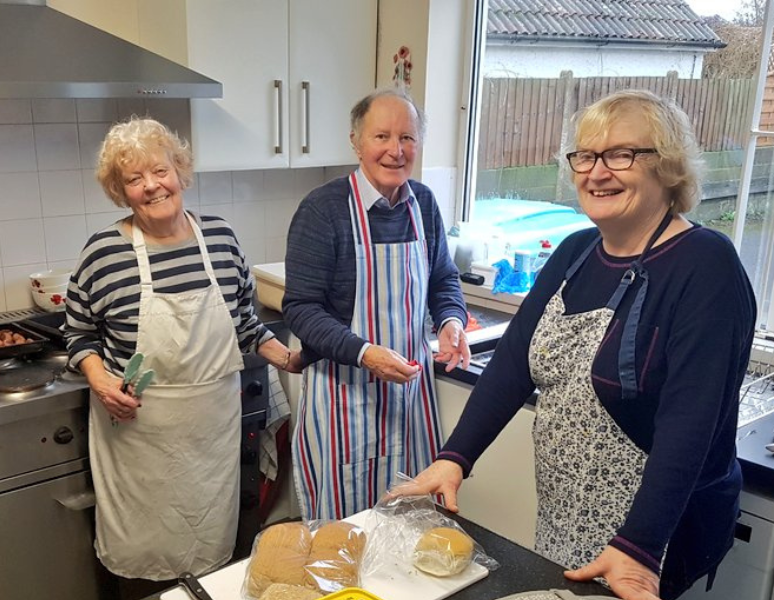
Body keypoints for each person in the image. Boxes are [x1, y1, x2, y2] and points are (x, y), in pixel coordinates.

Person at [400, 90, 757, 600]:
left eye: (621, 154)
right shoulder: (575, 250)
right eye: (586, 155)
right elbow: (511, 366)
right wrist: (455, 457)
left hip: (656, 530)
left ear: (669, 165)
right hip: (566, 511)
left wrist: (639, 546)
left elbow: (692, 423)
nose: (596, 172)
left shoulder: (705, 264)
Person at [63, 117, 303, 582]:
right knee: (142, 570)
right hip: (139, 444)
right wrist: (99, 378)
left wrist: (291, 358)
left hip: (209, 444)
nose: (151, 186)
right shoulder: (103, 252)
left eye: (160, 171)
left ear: (180, 170)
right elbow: (78, 334)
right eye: (134, 179)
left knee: (209, 570)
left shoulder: (220, 238)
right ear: (120, 190)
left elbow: (246, 325)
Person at [282, 87, 471, 521]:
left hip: (409, 398)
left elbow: (443, 277)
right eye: (381, 136)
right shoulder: (323, 210)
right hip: (345, 398)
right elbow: (302, 308)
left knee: (413, 523)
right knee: (347, 532)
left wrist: (450, 321)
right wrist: (365, 354)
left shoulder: (422, 202)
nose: (395, 150)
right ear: (356, 141)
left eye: (407, 138)